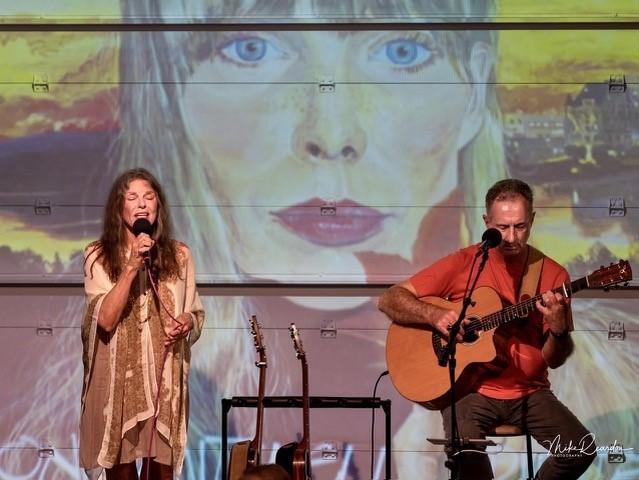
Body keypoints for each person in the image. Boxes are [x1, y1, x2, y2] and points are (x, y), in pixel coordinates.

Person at [378, 179, 596, 479]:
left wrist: (558, 330)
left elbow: (554, 359)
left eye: (519, 226)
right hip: (471, 392)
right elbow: (390, 299)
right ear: (486, 222)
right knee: (470, 466)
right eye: (502, 227)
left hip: (530, 393)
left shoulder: (552, 275)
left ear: (532, 221)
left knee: (580, 449)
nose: (510, 237)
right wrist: (434, 315)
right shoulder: (465, 262)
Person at [79, 168, 205, 479]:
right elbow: (104, 320)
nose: (142, 204)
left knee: (159, 471)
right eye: (132, 197)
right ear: (119, 207)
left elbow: (196, 312)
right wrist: (132, 266)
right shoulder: (98, 256)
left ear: (158, 206)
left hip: (163, 384)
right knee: (120, 472)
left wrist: (187, 321)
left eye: (149, 197)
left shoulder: (180, 256)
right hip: (118, 387)